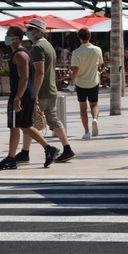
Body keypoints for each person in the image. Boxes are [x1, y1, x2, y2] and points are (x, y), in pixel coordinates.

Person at [0, 26, 60, 170]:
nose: (6, 37)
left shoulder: (20, 55)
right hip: (22, 94)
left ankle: (13, 158)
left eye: (8, 35)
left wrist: (18, 98)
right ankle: (46, 149)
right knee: (21, 125)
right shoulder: (19, 53)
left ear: (16, 37)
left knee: (18, 126)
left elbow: (24, 78)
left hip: (21, 94)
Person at [15, 19, 75, 163]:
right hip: (51, 89)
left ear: (39, 31)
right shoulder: (48, 46)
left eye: (31, 28)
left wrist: (34, 93)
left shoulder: (37, 48)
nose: (28, 31)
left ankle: (25, 152)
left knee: (28, 122)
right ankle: (67, 149)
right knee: (53, 120)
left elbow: (39, 72)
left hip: (41, 91)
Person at [68, 28, 103, 140]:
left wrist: (71, 84)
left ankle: (87, 132)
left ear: (79, 38)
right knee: (94, 104)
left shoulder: (76, 52)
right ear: (90, 36)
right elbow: (100, 64)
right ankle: (95, 119)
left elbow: (76, 69)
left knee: (83, 107)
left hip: (80, 82)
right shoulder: (97, 49)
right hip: (93, 81)